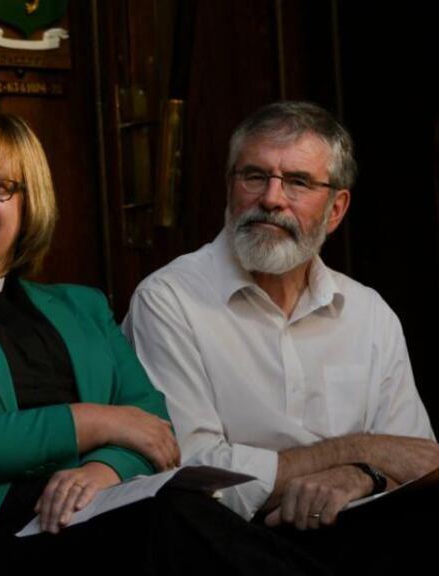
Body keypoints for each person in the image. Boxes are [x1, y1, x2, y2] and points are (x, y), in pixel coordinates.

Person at [0, 111, 327, 576]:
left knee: (176, 513)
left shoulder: (82, 307)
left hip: (90, 518)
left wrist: (103, 469)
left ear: (30, 204)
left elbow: (153, 430)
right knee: (164, 521)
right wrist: (91, 421)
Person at [123, 101, 439, 563]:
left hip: (363, 531)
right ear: (230, 189)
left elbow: (419, 463)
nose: (271, 198)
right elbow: (193, 475)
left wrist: (362, 476)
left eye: (297, 181)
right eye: (254, 176)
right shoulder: (168, 299)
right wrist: (362, 451)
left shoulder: (369, 313)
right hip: (229, 545)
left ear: (336, 209)